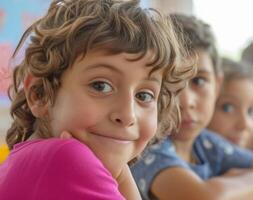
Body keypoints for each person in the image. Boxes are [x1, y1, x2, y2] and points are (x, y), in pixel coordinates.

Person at [0, 0, 194, 199]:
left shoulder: (30, 160)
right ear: (39, 94)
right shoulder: (65, 157)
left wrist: (120, 175)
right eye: (101, 86)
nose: (127, 115)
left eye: (144, 95)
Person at [131, 14, 253, 200]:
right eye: (170, 81)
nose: (186, 101)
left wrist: (227, 186)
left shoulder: (207, 144)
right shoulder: (147, 149)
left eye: (199, 81)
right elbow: (204, 197)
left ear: (218, 85)